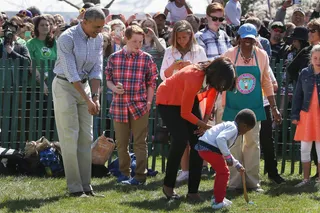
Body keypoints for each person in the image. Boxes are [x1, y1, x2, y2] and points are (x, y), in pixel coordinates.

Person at [156, 57, 237, 201]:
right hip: (168, 100)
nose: (222, 86)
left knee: (199, 143)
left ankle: (193, 191)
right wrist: (204, 125)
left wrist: (204, 123)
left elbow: (211, 99)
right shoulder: (193, 77)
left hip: (187, 99)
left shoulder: (213, 80)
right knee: (180, 140)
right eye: (223, 82)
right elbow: (185, 113)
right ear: (216, 74)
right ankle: (168, 185)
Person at [221, 23, 282, 191]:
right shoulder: (228, 55)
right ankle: (234, 183)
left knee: (253, 145)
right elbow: (223, 82)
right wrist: (220, 104)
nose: (248, 42)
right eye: (244, 38)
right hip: (233, 108)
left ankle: (253, 182)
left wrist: (274, 107)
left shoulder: (262, 55)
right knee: (233, 145)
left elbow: (266, 82)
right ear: (238, 38)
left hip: (254, 108)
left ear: (255, 39)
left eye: (251, 39)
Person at [52, 7, 105, 198]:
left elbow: (97, 69)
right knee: (69, 136)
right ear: (85, 21)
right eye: (96, 27)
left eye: (101, 27)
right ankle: (74, 187)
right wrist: (88, 100)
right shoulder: (66, 38)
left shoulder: (99, 38)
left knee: (86, 137)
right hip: (65, 86)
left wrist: (96, 98)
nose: (99, 31)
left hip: (86, 88)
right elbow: (71, 73)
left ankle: (86, 186)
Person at [106, 25, 158, 185]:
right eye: (134, 41)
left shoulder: (146, 58)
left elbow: (151, 83)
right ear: (126, 39)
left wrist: (149, 102)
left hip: (140, 106)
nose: (138, 44)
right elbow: (108, 79)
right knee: (121, 143)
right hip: (119, 106)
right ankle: (124, 173)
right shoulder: (114, 58)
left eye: (141, 41)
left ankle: (140, 176)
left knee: (140, 143)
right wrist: (114, 88)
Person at [160, 20, 207, 182]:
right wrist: (175, 67)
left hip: (193, 97)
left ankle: (196, 172)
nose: (182, 41)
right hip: (174, 98)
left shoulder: (199, 50)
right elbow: (163, 76)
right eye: (179, 38)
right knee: (180, 137)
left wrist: (191, 67)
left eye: (185, 37)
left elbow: (204, 72)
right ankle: (184, 170)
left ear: (191, 36)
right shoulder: (169, 52)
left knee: (195, 136)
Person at [195, 109, 256, 209]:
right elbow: (220, 139)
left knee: (221, 172)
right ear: (244, 126)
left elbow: (224, 149)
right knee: (224, 172)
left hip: (205, 147)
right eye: (247, 130)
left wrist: (236, 164)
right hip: (209, 149)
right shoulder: (234, 128)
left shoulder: (230, 125)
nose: (244, 133)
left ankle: (218, 198)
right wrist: (227, 157)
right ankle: (218, 202)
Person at [291, 44, 320, 187]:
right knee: (305, 148)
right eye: (315, 58)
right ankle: (306, 179)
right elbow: (297, 96)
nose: (318, 61)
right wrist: (295, 115)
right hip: (306, 115)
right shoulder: (304, 73)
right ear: (311, 58)